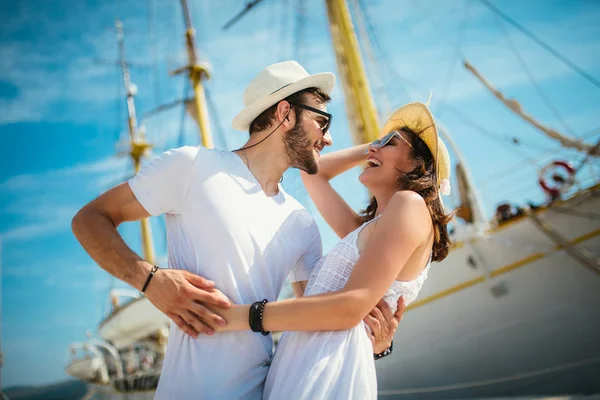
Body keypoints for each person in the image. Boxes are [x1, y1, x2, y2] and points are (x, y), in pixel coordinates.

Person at [71, 60, 402, 399]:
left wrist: (377, 344)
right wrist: (149, 280)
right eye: (322, 122)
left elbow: (314, 327)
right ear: (285, 113)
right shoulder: (193, 167)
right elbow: (90, 219)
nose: (329, 138)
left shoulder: (301, 222)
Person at [205, 101, 454, 399]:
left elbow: (350, 307)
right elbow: (313, 172)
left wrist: (238, 317)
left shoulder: (410, 205)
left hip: (327, 368)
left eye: (390, 142)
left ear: (418, 165)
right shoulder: (367, 229)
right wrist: (376, 148)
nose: (374, 148)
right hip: (305, 362)